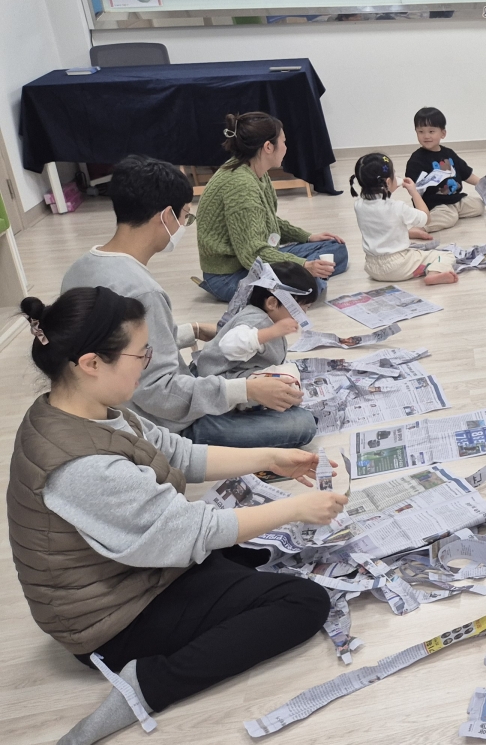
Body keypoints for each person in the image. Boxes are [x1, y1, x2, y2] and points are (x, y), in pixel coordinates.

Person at [10, 287, 348, 745]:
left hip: (132, 571)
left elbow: (178, 453)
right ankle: (148, 685)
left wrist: (272, 457)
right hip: (110, 623)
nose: (147, 363)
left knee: (249, 550)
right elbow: (191, 531)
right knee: (303, 602)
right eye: (140, 354)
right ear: (91, 363)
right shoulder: (81, 466)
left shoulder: (90, 410)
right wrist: (296, 508)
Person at [60, 155, 316, 448]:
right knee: (302, 425)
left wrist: (192, 330)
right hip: (159, 422)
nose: (184, 224)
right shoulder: (143, 292)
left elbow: (120, 347)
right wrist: (247, 390)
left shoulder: (80, 268)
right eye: (185, 216)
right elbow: (159, 393)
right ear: (166, 216)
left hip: (114, 404)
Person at [197, 112, 349, 302]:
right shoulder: (241, 186)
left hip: (254, 257)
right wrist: (304, 265)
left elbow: (266, 219)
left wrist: (308, 237)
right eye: (283, 142)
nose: (286, 147)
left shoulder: (254, 169)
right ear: (268, 147)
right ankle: (310, 279)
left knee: (336, 248)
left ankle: (310, 277)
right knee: (309, 287)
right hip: (229, 275)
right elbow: (253, 255)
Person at [191, 261, 318, 386]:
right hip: (220, 379)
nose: (303, 315)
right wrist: (272, 331)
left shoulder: (269, 319)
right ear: (272, 303)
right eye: (299, 310)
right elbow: (229, 346)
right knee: (287, 377)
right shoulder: (256, 320)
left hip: (239, 372)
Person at [350, 152, 460, 285]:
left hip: (372, 267)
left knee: (414, 251)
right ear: (388, 181)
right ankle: (434, 273)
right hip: (398, 266)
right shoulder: (398, 207)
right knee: (445, 255)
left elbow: (379, 205)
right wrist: (414, 192)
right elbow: (426, 218)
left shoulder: (358, 205)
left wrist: (389, 186)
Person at [406, 106, 486, 232]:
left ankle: (453, 211)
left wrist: (485, 184)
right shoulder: (416, 159)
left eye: (431, 131)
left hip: (455, 198)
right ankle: (419, 228)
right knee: (449, 218)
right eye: (421, 132)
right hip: (434, 203)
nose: (426, 136)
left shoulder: (449, 153)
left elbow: (466, 174)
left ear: (443, 133)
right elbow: (413, 187)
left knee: (479, 206)